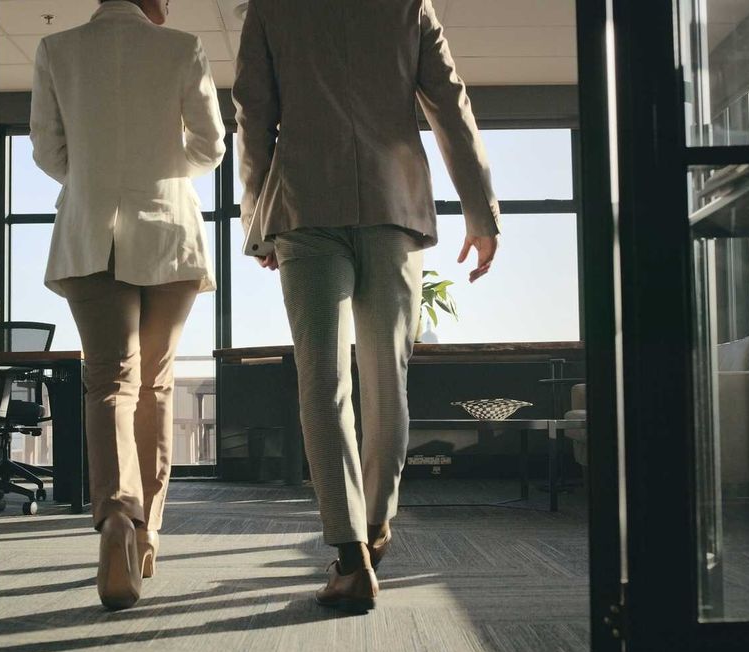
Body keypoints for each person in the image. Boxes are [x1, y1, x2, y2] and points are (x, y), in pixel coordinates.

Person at [234, 0, 500, 612]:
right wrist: (480, 212)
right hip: (394, 206)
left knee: (322, 381)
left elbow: (254, 116)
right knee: (387, 377)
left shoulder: (271, 8)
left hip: (306, 206)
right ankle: (376, 525)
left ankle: (351, 559)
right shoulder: (408, 5)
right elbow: (450, 105)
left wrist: (257, 221)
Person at [30, 0, 225, 610]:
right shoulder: (183, 47)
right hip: (167, 231)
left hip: (90, 232)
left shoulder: (57, 50)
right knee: (156, 385)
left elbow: (48, 152)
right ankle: (147, 533)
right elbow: (211, 146)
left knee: (109, 381)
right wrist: (161, 164)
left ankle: (117, 516)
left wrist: (97, 176)